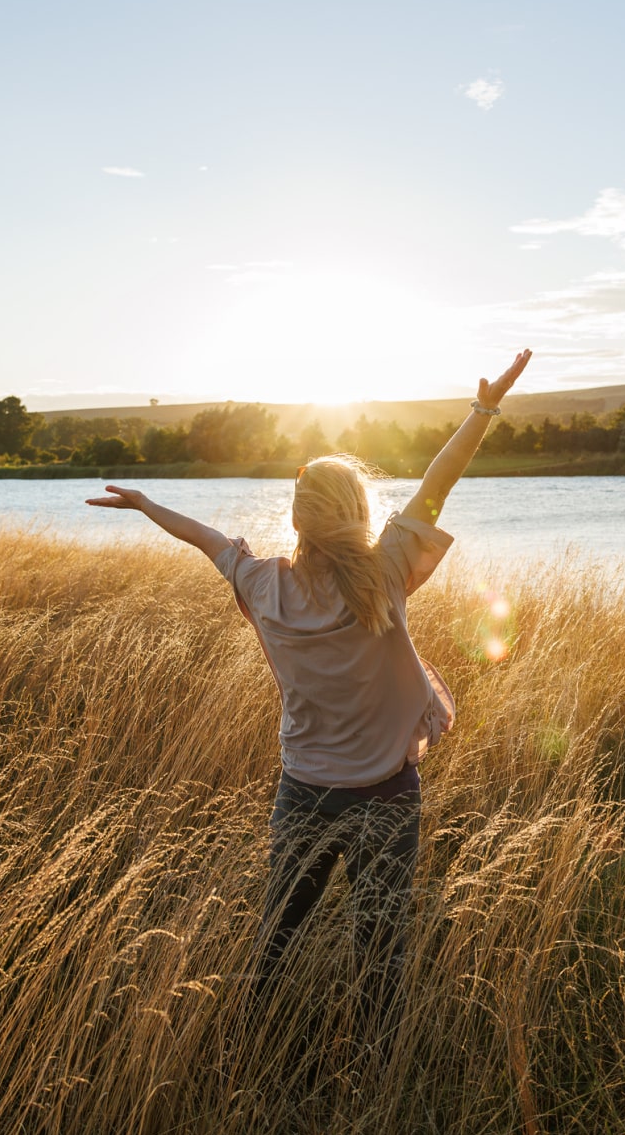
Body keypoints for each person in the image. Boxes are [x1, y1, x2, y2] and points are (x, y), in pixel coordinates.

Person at [87, 349, 532, 1034]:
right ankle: (377, 1065)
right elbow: (438, 483)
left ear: (297, 521)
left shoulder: (262, 584)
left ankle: (247, 1040)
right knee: (381, 946)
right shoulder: (385, 572)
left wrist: (146, 504)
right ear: (358, 515)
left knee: (278, 931)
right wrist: (483, 409)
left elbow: (204, 539)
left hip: (304, 790)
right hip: (386, 792)